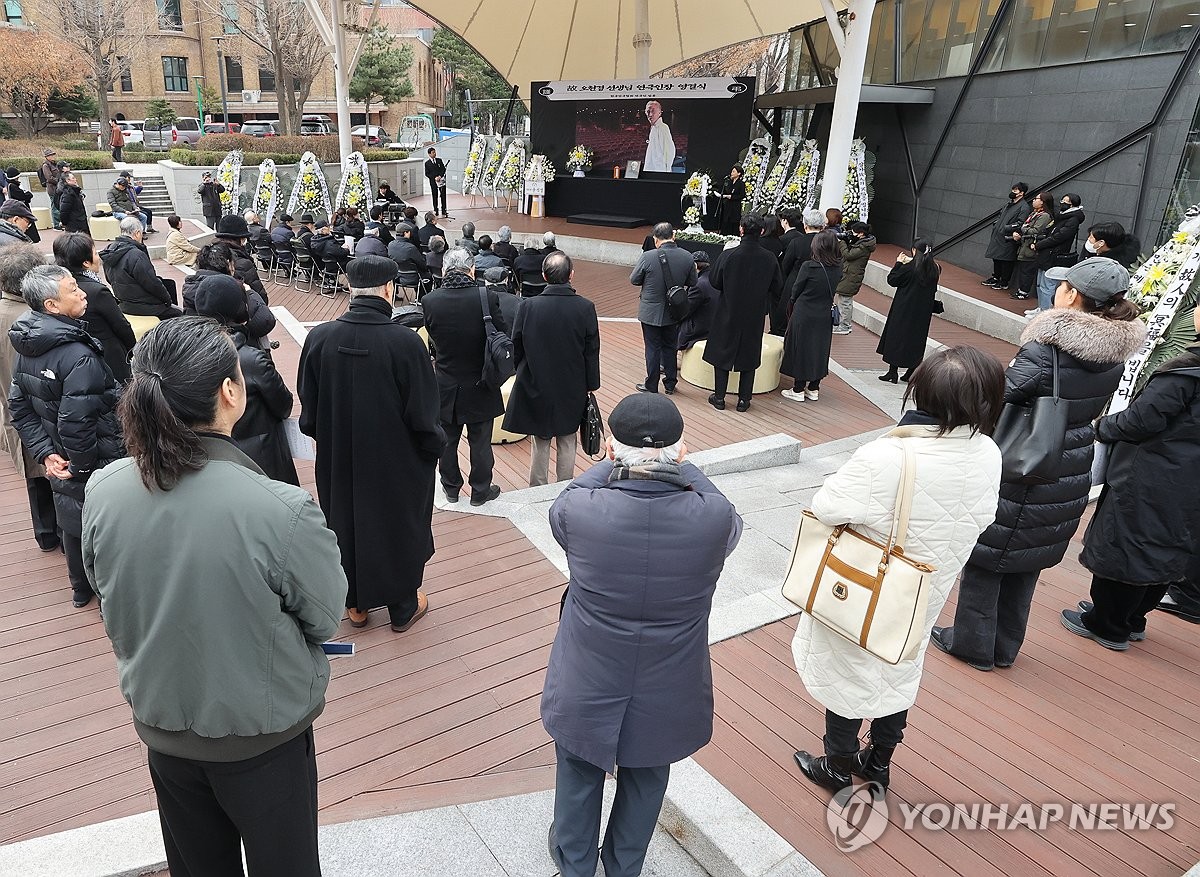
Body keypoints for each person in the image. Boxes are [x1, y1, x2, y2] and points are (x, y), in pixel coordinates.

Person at [82, 316, 346, 877]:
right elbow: (324, 615)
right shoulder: (279, 508)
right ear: (230, 392)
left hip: (163, 723)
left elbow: (103, 586)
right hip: (262, 732)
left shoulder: (104, 490)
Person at [543, 392, 742, 877]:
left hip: (588, 674)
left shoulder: (580, 511)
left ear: (611, 450)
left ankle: (573, 866)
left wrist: (613, 462)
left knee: (578, 773)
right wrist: (680, 464)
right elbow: (719, 503)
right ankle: (624, 866)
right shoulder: (714, 520)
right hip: (670, 680)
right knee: (649, 775)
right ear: (681, 451)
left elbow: (566, 499)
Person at [791, 347, 1004, 795]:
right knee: (901, 662)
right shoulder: (987, 450)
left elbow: (827, 506)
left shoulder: (889, 455)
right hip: (927, 585)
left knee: (851, 667)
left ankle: (836, 765)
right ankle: (880, 761)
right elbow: (981, 518)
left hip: (869, 583)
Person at [932, 258, 1146, 671]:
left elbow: (1001, 393)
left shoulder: (1047, 349)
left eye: (1063, 285)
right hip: (1070, 462)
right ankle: (1004, 647)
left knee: (987, 556)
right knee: (1026, 562)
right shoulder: (1113, 353)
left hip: (1025, 462)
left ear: (1075, 296)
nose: (1058, 290)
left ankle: (973, 645)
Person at [298, 255, 445, 631]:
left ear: (350, 288)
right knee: (398, 524)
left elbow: (309, 412)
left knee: (343, 522)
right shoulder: (405, 343)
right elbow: (425, 416)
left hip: (337, 458)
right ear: (388, 289)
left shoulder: (319, 338)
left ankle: (356, 605)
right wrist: (431, 451)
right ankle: (401, 607)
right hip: (397, 460)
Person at [1059, 281, 1199, 650]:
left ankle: (1108, 623)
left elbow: (1140, 421)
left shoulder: (1185, 377)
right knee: (1166, 550)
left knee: (1129, 546)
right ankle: (1132, 617)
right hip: (1189, 484)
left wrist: (1102, 427)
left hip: (1153, 477)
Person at [9, 265, 123, 608]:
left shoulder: (28, 345)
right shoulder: (78, 355)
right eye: (73, 289)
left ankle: (79, 588)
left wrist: (45, 453)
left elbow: (19, 406)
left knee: (71, 521)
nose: (83, 293)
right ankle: (109, 600)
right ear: (52, 306)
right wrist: (82, 466)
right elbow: (76, 423)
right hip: (93, 456)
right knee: (102, 527)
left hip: (60, 457)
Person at [504, 252, 600, 487]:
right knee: (568, 438)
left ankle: (537, 487)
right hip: (572, 383)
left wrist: (521, 370)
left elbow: (516, 344)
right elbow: (591, 350)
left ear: (544, 275)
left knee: (541, 437)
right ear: (571, 275)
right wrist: (591, 384)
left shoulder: (528, 306)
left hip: (536, 379)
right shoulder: (585, 308)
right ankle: (564, 486)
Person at [193, 275, 299, 485]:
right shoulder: (251, 359)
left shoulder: (193, 354)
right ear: (240, 309)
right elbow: (284, 405)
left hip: (211, 456)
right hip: (262, 456)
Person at [422, 248, 508, 505]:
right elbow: (501, 332)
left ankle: (451, 488)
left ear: (445, 269)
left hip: (446, 382)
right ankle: (480, 491)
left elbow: (434, 341)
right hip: (481, 380)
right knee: (480, 441)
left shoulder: (430, 301)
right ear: (471, 269)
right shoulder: (486, 297)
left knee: (447, 440)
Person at [0, 245, 60, 553]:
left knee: (34, 478)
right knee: (58, 473)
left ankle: (45, 534)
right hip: (45, 409)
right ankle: (66, 536)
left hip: (13, 413)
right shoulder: (39, 320)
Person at [703, 213, 782, 413]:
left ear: (741, 229)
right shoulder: (769, 258)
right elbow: (777, 286)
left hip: (728, 309)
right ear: (762, 231)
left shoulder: (728, 255)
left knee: (722, 351)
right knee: (749, 353)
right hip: (754, 313)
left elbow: (715, 281)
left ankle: (719, 397)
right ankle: (744, 400)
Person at [54, 232, 136, 384]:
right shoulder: (96, 291)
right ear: (86, 262)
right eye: (95, 253)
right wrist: (133, 349)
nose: (98, 257)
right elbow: (121, 325)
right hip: (109, 355)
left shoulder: (56, 287)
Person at [630, 222, 696, 396]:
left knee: (652, 348)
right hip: (674, 311)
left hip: (650, 311)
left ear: (655, 239)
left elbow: (634, 279)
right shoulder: (687, 257)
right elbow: (693, 282)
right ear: (673, 236)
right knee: (670, 346)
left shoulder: (648, 256)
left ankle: (651, 385)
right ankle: (670, 383)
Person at [781, 229, 843, 403]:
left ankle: (798, 388)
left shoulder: (809, 266)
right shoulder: (838, 268)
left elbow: (796, 289)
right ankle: (814, 388)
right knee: (819, 349)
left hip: (804, 312)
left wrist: (792, 300)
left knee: (800, 348)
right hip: (824, 314)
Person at [182, 242, 274, 347]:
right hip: (233, 346)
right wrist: (250, 293)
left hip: (198, 344)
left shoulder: (189, 287)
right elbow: (265, 321)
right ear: (229, 263)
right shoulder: (232, 289)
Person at [878, 238, 941, 383]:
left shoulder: (910, 268)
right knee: (916, 340)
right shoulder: (935, 268)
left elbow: (892, 280)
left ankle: (892, 372)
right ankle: (910, 372)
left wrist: (898, 263)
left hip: (904, 308)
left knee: (897, 337)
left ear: (914, 251)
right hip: (923, 311)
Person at [100, 217, 182, 319]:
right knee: (179, 314)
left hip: (125, 302)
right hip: (142, 306)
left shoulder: (109, 250)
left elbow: (109, 279)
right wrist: (167, 300)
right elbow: (152, 284)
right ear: (137, 233)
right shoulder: (136, 255)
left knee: (169, 283)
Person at [1029, 192, 1085, 316]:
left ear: (1072, 205)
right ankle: (1041, 308)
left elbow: (1058, 237)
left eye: (1066, 201)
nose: (1062, 203)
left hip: (1054, 254)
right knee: (1039, 284)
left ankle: (1046, 313)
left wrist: (1039, 245)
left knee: (1047, 286)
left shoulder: (1073, 219)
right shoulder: (1062, 216)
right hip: (1046, 253)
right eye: (1062, 200)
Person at [775, 208, 824, 336]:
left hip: (795, 282)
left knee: (786, 317)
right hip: (820, 285)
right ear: (822, 226)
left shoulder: (797, 242)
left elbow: (786, 266)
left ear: (805, 225)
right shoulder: (829, 243)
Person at [982, 182, 1031, 291]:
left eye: (1016, 190)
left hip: (1008, 238)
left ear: (1021, 193)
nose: (1013, 192)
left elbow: (1021, 223)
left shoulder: (1024, 207)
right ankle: (996, 277)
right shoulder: (1009, 204)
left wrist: (1007, 228)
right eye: (1013, 189)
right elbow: (1000, 216)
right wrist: (997, 224)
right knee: (996, 258)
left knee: (1006, 260)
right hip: (998, 235)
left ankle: (1004, 281)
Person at [215, 214, 270, 309]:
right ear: (241, 239)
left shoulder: (210, 256)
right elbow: (261, 297)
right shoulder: (242, 263)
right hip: (239, 315)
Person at [833, 222, 876, 336]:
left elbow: (848, 255)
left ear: (861, 234)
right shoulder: (862, 242)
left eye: (854, 232)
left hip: (852, 276)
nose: (851, 234)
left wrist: (841, 242)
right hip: (849, 274)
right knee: (844, 300)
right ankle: (845, 324)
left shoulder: (864, 246)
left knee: (845, 301)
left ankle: (844, 326)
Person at [1010, 191, 1053, 301]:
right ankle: (1021, 289)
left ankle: (1024, 292)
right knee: (1023, 270)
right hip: (1025, 246)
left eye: (1037, 199)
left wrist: (1024, 229)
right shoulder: (1033, 213)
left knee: (1027, 271)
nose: (1034, 200)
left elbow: (1035, 230)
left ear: (1043, 202)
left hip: (1032, 248)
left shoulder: (1045, 216)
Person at [677, 251, 717, 351]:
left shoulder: (698, 285)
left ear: (694, 265)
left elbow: (686, 310)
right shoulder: (714, 279)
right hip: (714, 324)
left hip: (700, 328)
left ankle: (666, 362)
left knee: (670, 327)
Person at [642, 99, 676, 173]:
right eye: (648, 111)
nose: (650, 114)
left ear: (659, 113)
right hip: (651, 169)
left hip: (659, 170)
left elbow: (670, 151)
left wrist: (665, 171)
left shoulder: (663, 127)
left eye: (653, 111)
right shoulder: (653, 127)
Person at [715, 165, 746, 237]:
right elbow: (727, 191)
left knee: (734, 221)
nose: (731, 173)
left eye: (733, 171)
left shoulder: (741, 183)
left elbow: (742, 195)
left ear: (739, 173)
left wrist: (732, 197)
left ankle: (734, 236)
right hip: (728, 205)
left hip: (735, 206)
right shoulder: (729, 182)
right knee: (726, 220)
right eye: (732, 171)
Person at [41, 149, 63, 229]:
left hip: (58, 188)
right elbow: (49, 178)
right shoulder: (45, 165)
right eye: (51, 155)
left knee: (59, 205)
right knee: (55, 206)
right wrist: (59, 181)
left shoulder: (54, 164)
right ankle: (56, 224)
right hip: (52, 189)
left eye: (53, 155)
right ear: (47, 157)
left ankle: (60, 223)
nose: (53, 156)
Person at [425, 146, 448, 217]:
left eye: (435, 152)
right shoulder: (427, 163)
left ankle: (444, 209)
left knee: (443, 195)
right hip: (433, 182)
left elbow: (443, 169)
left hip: (441, 181)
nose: (435, 153)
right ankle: (436, 209)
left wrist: (440, 176)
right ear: (429, 154)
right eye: (433, 152)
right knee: (435, 195)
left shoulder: (439, 160)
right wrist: (434, 178)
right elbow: (427, 173)